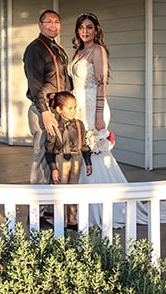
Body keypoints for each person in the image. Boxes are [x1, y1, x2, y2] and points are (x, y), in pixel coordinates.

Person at [71, 12, 128, 228]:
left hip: (94, 106)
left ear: (96, 30)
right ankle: (86, 206)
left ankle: (101, 210)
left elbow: (102, 84)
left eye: (89, 27)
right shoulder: (80, 51)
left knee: (94, 154)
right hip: (78, 107)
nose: (85, 31)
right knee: (85, 154)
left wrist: (98, 114)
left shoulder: (98, 51)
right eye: (81, 27)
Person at [23, 9, 71, 184]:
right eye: (49, 21)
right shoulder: (34, 49)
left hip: (58, 108)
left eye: (56, 22)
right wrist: (44, 112)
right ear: (40, 25)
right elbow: (35, 85)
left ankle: (52, 205)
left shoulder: (57, 49)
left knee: (56, 156)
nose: (53, 25)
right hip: (43, 109)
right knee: (42, 154)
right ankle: (38, 207)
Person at [44, 91, 92, 229]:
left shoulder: (79, 124)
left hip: (76, 158)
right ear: (59, 109)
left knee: (73, 190)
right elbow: (49, 149)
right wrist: (53, 168)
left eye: (75, 107)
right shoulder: (54, 126)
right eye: (69, 108)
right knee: (61, 191)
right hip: (60, 159)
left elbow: (83, 145)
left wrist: (88, 162)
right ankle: (61, 221)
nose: (73, 111)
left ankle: (72, 220)